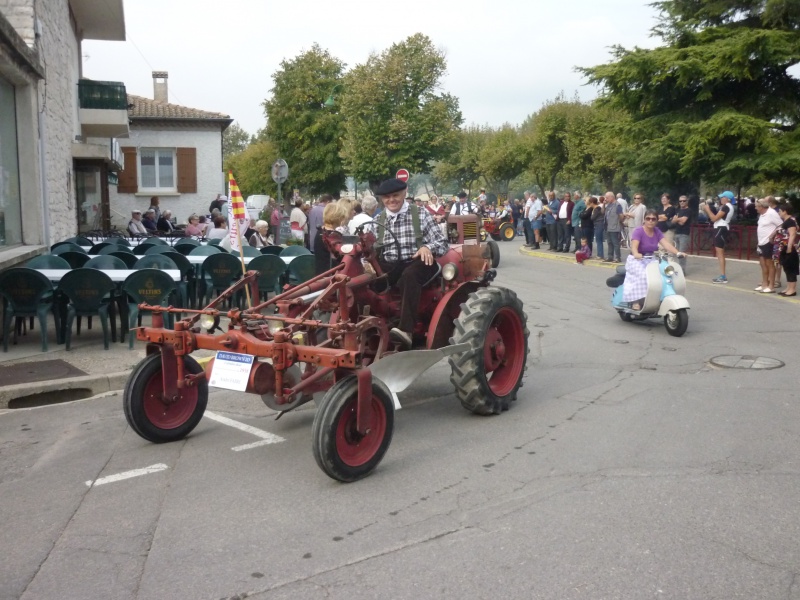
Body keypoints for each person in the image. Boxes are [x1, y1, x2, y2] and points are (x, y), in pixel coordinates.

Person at [374, 177, 449, 349]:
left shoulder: (420, 213)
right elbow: (370, 247)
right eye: (386, 197)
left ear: (404, 193)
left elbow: (442, 243)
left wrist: (427, 247)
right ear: (381, 199)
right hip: (391, 263)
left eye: (395, 195)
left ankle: (406, 330)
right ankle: (374, 322)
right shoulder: (379, 220)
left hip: (418, 261)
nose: (391, 200)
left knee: (409, 276)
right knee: (368, 279)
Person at [623, 208, 684, 310]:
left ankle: (656, 298)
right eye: (648, 218)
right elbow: (634, 246)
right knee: (644, 275)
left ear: (656, 221)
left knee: (664, 275)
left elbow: (666, 244)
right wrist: (636, 253)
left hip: (650, 259)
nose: (650, 221)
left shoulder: (657, 231)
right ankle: (636, 301)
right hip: (636, 259)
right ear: (644, 220)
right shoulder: (638, 231)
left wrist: (678, 252)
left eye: (653, 219)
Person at [704, 190, 736, 283]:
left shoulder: (726, 207)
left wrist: (707, 209)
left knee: (720, 253)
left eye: (722, 197)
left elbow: (714, 218)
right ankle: (722, 275)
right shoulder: (727, 206)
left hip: (721, 228)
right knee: (719, 253)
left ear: (728, 199)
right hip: (721, 228)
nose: (721, 199)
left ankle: (723, 276)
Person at [754, 198, 782, 293]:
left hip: (768, 242)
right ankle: (764, 284)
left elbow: (781, 225)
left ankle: (771, 286)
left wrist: (772, 235)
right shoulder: (762, 215)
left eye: (756, 206)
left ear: (761, 207)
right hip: (761, 242)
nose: (755, 208)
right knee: (762, 264)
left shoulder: (771, 213)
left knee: (769, 264)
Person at [315, 201, 350, 276]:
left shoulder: (320, 231)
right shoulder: (333, 236)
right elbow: (341, 257)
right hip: (332, 275)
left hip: (320, 273)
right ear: (338, 217)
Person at [775, 203, 798, 297]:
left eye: (780, 211)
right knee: (787, 268)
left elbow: (792, 234)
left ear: (785, 211)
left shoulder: (791, 221)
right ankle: (788, 288)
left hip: (789, 248)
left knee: (791, 268)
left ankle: (792, 289)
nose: (779, 213)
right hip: (783, 248)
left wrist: (789, 247)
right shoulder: (786, 221)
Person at [672, 195, 692, 274]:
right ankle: (678, 269)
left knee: (682, 253)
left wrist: (677, 219)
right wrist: (678, 220)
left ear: (687, 201)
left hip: (684, 234)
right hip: (676, 233)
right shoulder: (677, 210)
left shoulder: (688, 210)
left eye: (684, 201)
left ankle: (682, 271)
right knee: (677, 253)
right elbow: (673, 221)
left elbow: (683, 222)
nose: (682, 202)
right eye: (680, 201)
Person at [603, 191, 624, 263]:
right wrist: (603, 204)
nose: (606, 199)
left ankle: (618, 257)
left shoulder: (617, 205)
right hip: (608, 227)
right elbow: (602, 212)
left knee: (615, 243)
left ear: (612, 197)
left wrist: (620, 223)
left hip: (615, 227)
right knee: (609, 242)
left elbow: (621, 215)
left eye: (607, 197)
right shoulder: (608, 205)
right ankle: (610, 257)